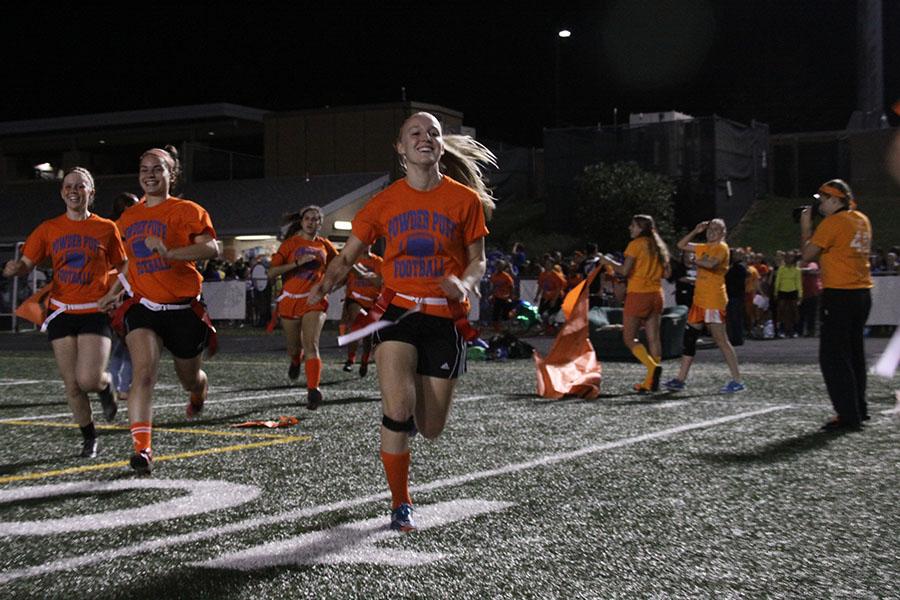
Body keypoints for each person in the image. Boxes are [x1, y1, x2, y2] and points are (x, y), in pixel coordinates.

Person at [308, 111, 494, 532]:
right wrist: (326, 283)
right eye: (416, 133)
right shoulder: (385, 200)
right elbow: (349, 254)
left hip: (445, 318)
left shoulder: (464, 200)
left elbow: (478, 260)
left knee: (430, 428)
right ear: (400, 147)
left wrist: (464, 283)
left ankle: (409, 418)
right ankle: (400, 503)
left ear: (442, 146)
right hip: (397, 311)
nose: (425, 138)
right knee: (396, 410)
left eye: (433, 133)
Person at [3, 167, 126, 458]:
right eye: (69, 186)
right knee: (72, 385)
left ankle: (106, 385)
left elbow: (125, 268)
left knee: (89, 379)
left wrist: (113, 294)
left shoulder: (106, 228)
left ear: (91, 193)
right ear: (62, 192)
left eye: (80, 186)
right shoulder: (49, 228)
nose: (74, 190)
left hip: (94, 311)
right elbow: (27, 262)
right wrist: (15, 269)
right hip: (61, 312)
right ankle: (89, 436)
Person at [111, 146, 219, 474]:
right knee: (143, 374)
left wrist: (171, 253)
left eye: (157, 168)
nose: (150, 174)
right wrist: (113, 292)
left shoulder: (187, 210)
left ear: (171, 174)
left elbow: (212, 248)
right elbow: (131, 264)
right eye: (144, 169)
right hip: (143, 307)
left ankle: (199, 391)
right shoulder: (129, 218)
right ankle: (142, 449)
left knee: (189, 378)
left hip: (182, 307)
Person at [800, 179, 872, 431]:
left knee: (833, 356)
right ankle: (859, 409)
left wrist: (806, 228)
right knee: (854, 354)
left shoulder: (833, 222)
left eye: (823, 199)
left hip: (840, 294)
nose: (819, 204)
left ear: (835, 200)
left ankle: (847, 414)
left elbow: (806, 256)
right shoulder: (861, 219)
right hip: (862, 293)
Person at [267, 206, 337, 409]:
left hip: (314, 301)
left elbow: (339, 266)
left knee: (311, 345)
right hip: (290, 300)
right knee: (293, 347)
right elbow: (272, 273)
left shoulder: (326, 245)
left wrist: (328, 285)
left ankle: (313, 390)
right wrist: (298, 262)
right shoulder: (291, 244)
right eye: (308, 218)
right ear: (301, 221)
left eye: (316, 219)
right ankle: (295, 360)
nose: (311, 222)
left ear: (320, 223)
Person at [664, 219, 745, 393]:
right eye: (710, 228)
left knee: (721, 340)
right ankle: (680, 379)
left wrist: (695, 261)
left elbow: (712, 264)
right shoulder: (703, 247)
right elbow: (681, 244)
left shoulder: (721, 247)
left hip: (714, 300)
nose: (711, 231)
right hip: (700, 300)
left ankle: (737, 379)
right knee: (690, 338)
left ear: (724, 233)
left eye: (717, 229)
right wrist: (695, 230)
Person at [599, 215, 670, 392]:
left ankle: (652, 368)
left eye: (633, 225)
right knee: (654, 338)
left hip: (639, 293)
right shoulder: (659, 246)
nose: (630, 228)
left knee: (629, 338)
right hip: (656, 294)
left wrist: (608, 262)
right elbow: (667, 274)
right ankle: (651, 381)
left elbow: (624, 270)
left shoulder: (636, 245)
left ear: (640, 228)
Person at [106, 193, 139, 405]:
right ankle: (123, 386)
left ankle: (113, 381)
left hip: (120, 289)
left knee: (123, 343)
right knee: (131, 342)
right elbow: (122, 265)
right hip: (123, 290)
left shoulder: (114, 227)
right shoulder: (121, 229)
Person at [341, 246, 383, 377]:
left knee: (368, 334)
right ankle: (351, 358)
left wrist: (362, 273)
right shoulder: (353, 259)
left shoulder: (379, 262)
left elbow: (379, 282)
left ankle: (364, 360)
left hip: (372, 301)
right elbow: (342, 277)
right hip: (355, 299)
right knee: (357, 324)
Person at [773, 250, 802, 337]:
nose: (789, 259)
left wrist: (800, 295)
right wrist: (776, 292)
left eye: (791, 257)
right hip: (782, 291)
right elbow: (778, 281)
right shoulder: (781, 269)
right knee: (781, 310)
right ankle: (781, 329)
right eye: (788, 257)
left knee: (794, 310)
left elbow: (798, 283)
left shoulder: (797, 270)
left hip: (793, 290)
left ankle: (795, 329)